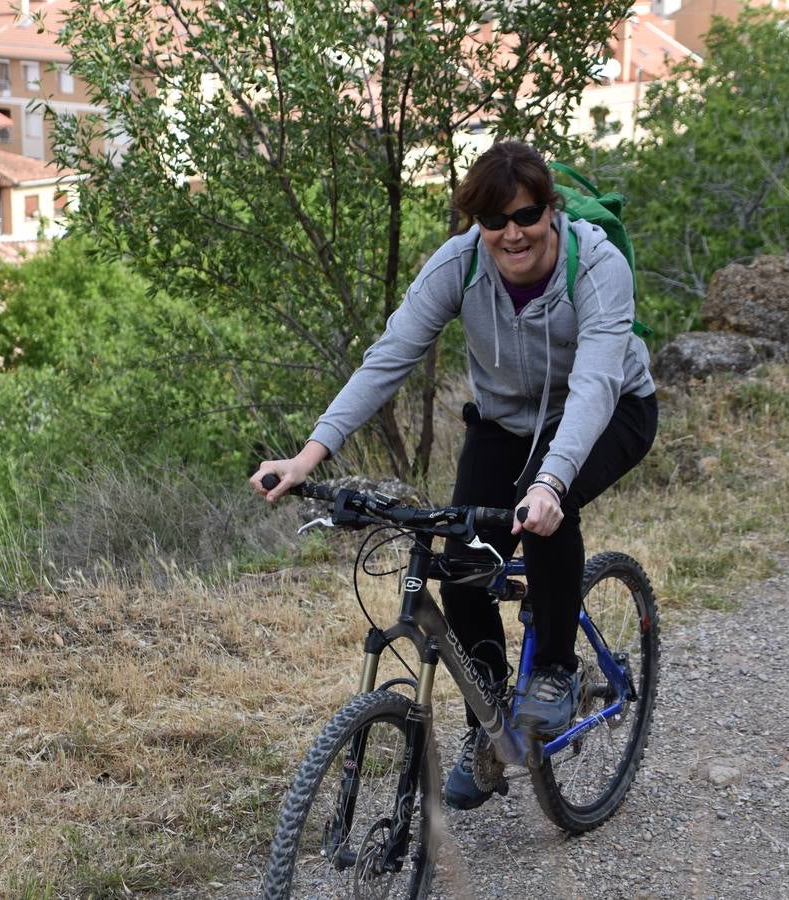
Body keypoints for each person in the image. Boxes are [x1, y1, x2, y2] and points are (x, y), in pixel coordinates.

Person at [250, 140, 657, 810]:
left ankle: (555, 668)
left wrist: (551, 483)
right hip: (503, 423)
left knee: (546, 513)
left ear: (550, 211)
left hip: (612, 410)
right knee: (463, 558)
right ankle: (489, 722)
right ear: (477, 224)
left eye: (525, 215)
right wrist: (307, 457)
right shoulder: (461, 264)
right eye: (494, 221)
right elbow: (388, 358)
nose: (511, 233)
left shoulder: (596, 268)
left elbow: (593, 386)